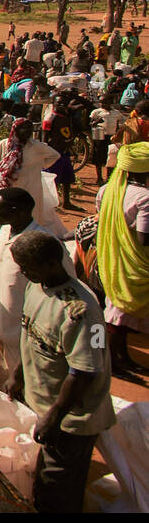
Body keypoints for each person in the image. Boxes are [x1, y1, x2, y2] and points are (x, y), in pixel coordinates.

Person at [5, 231, 116, 513]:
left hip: (72, 418)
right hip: (49, 409)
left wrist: (54, 417)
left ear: (52, 264)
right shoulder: (37, 286)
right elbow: (30, 333)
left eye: (27, 267)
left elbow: (85, 371)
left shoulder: (83, 312)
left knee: (55, 491)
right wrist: (18, 374)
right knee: (54, 483)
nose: (23, 273)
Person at [0, 188, 73, 388]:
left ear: (17, 211)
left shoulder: (43, 244)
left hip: (20, 340)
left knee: (21, 393)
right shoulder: (4, 230)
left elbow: (65, 288)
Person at [93, 142, 149, 375]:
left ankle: (120, 356)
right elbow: (144, 238)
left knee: (117, 311)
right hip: (133, 260)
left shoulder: (107, 189)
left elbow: (100, 216)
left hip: (110, 256)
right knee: (119, 315)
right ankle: (112, 362)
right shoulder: (145, 197)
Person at [0, 120, 60, 225]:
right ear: (15, 130)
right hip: (9, 188)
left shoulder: (36, 146)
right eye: (23, 128)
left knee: (31, 214)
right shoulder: (5, 144)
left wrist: (40, 165)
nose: (26, 131)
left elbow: (55, 155)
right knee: (6, 214)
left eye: (29, 128)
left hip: (31, 187)